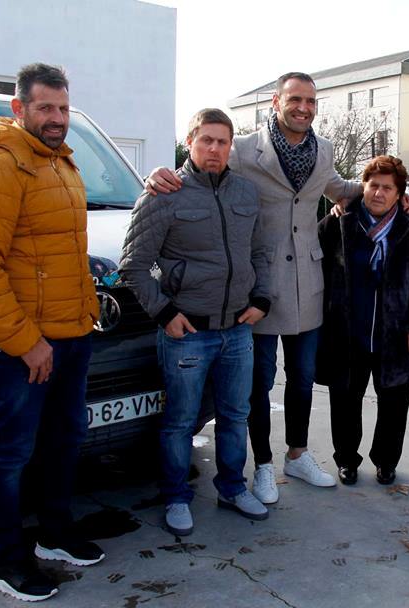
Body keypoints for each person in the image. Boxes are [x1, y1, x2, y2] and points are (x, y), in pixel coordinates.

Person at [144, 72, 362, 503]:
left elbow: (341, 189)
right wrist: (156, 174)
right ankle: (262, 465)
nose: (304, 108)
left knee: (302, 379)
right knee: (257, 384)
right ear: (276, 103)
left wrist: (390, 188)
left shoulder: (324, 150)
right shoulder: (242, 149)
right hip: (257, 291)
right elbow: (200, 172)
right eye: (295, 99)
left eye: (311, 101)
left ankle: (297, 455)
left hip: (308, 284)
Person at [0, 63, 104, 602]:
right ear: (19, 108)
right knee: (12, 454)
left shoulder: (60, 162)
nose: (57, 118)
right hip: (21, 346)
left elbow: (56, 251)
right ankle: (6, 561)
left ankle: (54, 534)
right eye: (45, 108)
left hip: (71, 335)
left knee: (63, 441)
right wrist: (25, 342)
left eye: (63, 108)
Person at [120, 109, 272, 530]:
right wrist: (164, 313)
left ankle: (232, 488)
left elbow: (259, 252)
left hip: (237, 331)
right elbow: (133, 265)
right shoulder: (164, 194)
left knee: (235, 416)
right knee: (180, 422)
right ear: (190, 142)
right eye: (206, 140)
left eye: (222, 141)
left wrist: (262, 299)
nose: (214, 149)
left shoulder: (245, 193)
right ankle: (175, 496)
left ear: (230, 146)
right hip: (187, 333)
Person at [316, 156, 409, 485]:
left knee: (394, 404)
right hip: (348, 333)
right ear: (363, 187)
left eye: (388, 188)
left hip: (397, 335)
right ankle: (346, 460)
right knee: (345, 401)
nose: (379, 193)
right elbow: (317, 271)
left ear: (400, 194)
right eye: (373, 185)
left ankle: (386, 461)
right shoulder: (338, 224)